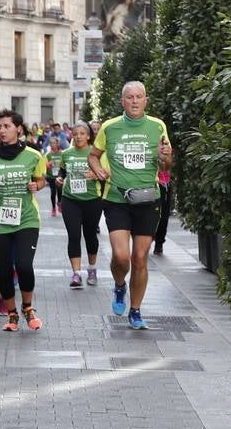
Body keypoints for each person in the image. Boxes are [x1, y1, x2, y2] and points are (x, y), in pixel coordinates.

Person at [89, 81, 172, 329]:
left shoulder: (157, 126)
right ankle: (119, 285)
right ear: (122, 101)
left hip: (148, 199)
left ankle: (135, 310)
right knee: (122, 256)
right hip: (117, 199)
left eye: (139, 97)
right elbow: (93, 155)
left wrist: (164, 157)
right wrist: (99, 171)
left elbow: (167, 166)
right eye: (129, 97)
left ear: (146, 100)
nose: (135, 101)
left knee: (139, 258)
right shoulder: (110, 127)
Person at [0, 109, 48, 331]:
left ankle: (28, 308)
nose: (2, 130)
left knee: (25, 266)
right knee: (5, 270)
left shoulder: (33, 155)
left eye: (6, 126)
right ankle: (12, 315)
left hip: (26, 219)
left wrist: (36, 186)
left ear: (18, 128)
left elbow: (40, 180)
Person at [58, 121, 104, 288]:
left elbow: (106, 173)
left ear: (89, 136)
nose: (78, 137)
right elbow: (62, 171)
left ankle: (92, 269)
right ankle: (76, 274)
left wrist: (96, 175)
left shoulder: (95, 154)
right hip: (70, 200)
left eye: (82, 133)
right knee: (74, 235)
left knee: (90, 235)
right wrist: (60, 178)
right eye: (75, 133)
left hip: (92, 200)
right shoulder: (66, 154)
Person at [45, 135, 64, 217]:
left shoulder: (62, 153)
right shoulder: (48, 155)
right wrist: (48, 164)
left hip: (59, 176)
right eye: (51, 143)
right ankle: (53, 208)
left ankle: (59, 202)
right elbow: (44, 165)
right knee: (53, 192)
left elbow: (64, 164)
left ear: (57, 144)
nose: (53, 145)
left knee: (59, 191)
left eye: (54, 143)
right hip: (51, 176)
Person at [154, 167, 172, 255]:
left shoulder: (168, 155)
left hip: (165, 185)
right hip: (150, 184)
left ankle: (159, 243)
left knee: (164, 217)